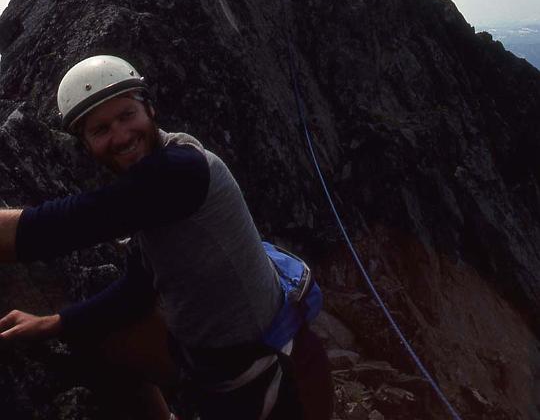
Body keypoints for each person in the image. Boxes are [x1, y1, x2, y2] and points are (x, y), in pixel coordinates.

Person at [0, 55, 333, 420]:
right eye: (100, 129)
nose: (121, 136)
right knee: (106, 339)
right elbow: (137, 290)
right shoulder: (151, 187)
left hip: (282, 384)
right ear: (85, 143)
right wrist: (55, 323)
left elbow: (54, 228)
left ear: (150, 108)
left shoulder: (179, 172)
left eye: (127, 115)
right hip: (215, 374)